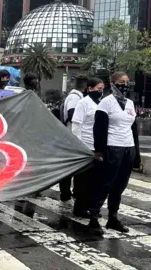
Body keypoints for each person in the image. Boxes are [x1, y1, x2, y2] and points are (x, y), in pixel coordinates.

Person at [88, 72, 141, 235]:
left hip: (128, 148)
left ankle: (113, 218)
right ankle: (94, 218)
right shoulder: (106, 103)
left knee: (120, 185)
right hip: (112, 147)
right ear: (112, 83)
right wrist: (99, 151)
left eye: (127, 82)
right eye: (120, 82)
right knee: (105, 183)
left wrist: (136, 153)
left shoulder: (130, 103)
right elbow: (99, 128)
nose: (124, 85)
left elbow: (133, 130)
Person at [71, 77, 104, 218]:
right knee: (83, 180)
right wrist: (79, 146)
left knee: (95, 180)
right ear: (90, 89)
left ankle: (91, 206)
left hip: (97, 146)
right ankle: (80, 208)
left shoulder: (101, 103)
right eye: (98, 89)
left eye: (102, 88)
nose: (101, 91)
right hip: (85, 146)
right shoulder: (83, 103)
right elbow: (76, 126)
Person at [59, 75, 88, 205]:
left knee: (73, 167)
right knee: (70, 168)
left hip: (72, 136)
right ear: (86, 86)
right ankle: (66, 194)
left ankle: (69, 193)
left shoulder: (76, 97)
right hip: (72, 136)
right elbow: (72, 115)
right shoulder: (75, 98)